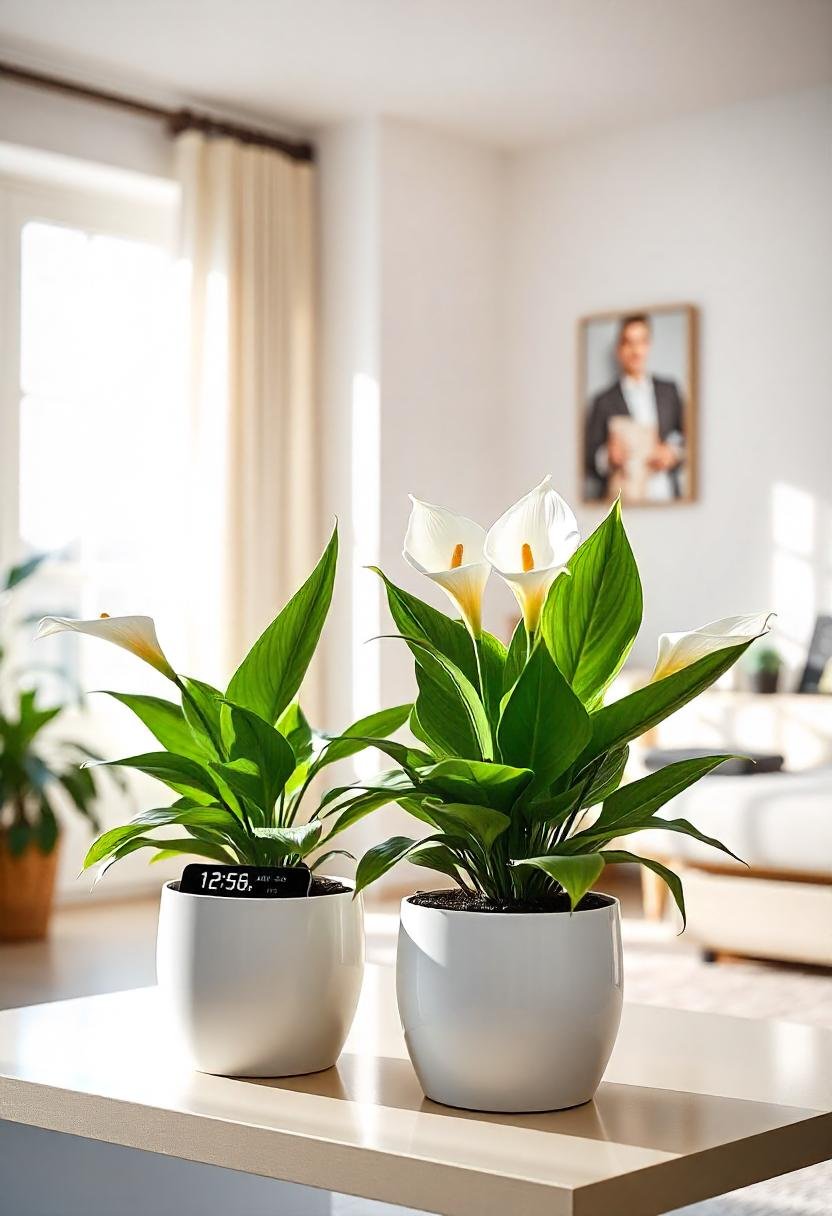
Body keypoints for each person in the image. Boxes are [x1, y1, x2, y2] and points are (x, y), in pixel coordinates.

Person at [585, 314, 685, 501]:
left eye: (641, 342)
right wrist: (607, 457)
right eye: (629, 343)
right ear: (619, 349)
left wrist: (672, 453)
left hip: (666, 497)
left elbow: (691, 439)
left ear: (649, 345)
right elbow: (588, 457)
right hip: (623, 500)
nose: (636, 350)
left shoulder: (669, 391)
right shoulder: (603, 400)